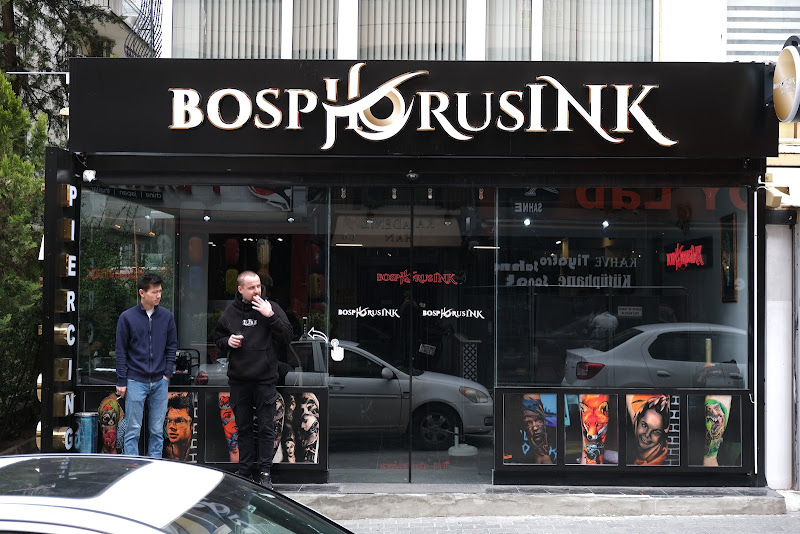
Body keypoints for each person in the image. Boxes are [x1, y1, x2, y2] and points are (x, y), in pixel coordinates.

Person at [213, 270, 292, 489]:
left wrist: (270, 315)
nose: (257, 290)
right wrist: (228, 342)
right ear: (240, 289)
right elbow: (218, 338)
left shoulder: (270, 307)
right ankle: (245, 471)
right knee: (244, 428)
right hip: (239, 380)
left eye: (258, 286)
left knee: (266, 428)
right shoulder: (231, 312)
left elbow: (287, 336)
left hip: (265, 379)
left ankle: (265, 473)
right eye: (251, 287)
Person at [115, 272, 177, 458]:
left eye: (160, 291)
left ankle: (154, 467)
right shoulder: (127, 317)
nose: (159, 296)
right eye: (154, 292)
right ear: (142, 293)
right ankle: (131, 466)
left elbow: (172, 346)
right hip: (135, 379)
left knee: (157, 431)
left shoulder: (166, 317)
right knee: (132, 429)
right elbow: (121, 351)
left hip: (160, 380)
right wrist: (121, 380)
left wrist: (167, 373)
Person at [626, 394, 670, 465]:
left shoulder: (658, 459)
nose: (647, 435)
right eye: (644, 425)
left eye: (656, 432)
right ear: (637, 421)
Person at [163, 393, 194, 461]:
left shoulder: (198, 449)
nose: (172, 426)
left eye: (179, 421)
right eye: (169, 421)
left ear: (191, 425)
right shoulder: (162, 450)